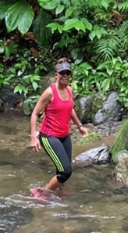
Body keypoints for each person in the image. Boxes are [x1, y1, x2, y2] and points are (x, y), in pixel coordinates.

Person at [29, 59, 88, 198]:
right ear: (56, 75)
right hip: (49, 136)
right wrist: (33, 137)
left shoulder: (69, 90)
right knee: (65, 171)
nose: (65, 76)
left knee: (62, 166)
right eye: (62, 73)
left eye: (67, 73)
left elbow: (70, 109)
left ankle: (59, 191)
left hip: (64, 135)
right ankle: (44, 192)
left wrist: (80, 126)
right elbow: (35, 113)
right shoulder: (49, 93)